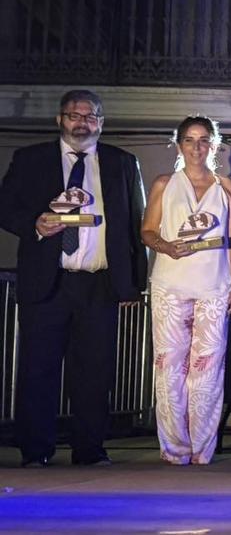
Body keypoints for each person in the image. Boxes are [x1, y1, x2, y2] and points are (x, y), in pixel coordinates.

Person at [0, 89, 147, 467]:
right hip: (47, 281)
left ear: (101, 122)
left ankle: (90, 449)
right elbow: (5, 208)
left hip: (99, 283)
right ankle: (36, 451)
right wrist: (33, 222)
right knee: (39, 368)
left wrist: (134, 283)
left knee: (96, 372)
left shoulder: (122, 163)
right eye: (74, 115)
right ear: (59, 120)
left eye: (90, 116)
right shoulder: (30, 159)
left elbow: (134, 225)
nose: (82, 122)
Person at [141, 116, 231, 465]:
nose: (197, 147)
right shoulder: (163, 184)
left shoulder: (227, 185)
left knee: (208, 369)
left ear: (214, 144)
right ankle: (174, 447)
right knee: (169, 368)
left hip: (214, 286)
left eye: (204, 140)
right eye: (190, 140)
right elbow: (148, 232)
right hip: (170, 284)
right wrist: (166, 247)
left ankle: (202, 447)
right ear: (179, 144)